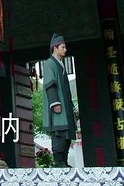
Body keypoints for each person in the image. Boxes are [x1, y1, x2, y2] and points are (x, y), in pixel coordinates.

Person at [42, 33, 76, 168]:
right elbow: (50, 84)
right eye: (63, 47)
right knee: (59, 132)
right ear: (55, 48)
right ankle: (58, 161)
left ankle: (64, 161)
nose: (65, 50)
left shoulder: (61, 64)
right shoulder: (50, 63)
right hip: (58, 105)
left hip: (65, 106)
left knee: (67, 133)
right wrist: (55, 103)